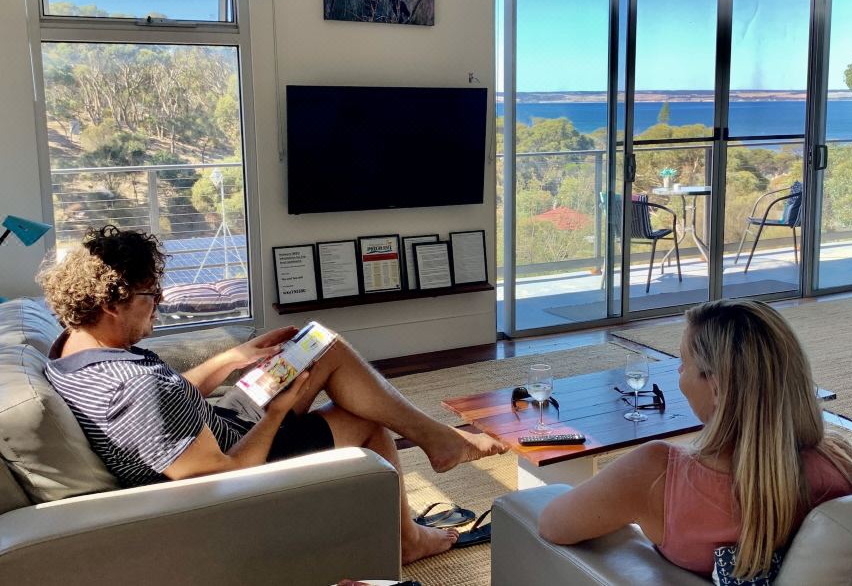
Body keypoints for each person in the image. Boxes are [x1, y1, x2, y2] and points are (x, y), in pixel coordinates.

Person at [38, 225, 507, 564]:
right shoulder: (130, 388)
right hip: (239, 451)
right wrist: (277, 412)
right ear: (110, 304)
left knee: (319, 346)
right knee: (364, 421)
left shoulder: (74, 350)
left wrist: (231, 359)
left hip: (217, 422)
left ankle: (439, 441)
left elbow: (171, 401)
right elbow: (222, 481)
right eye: (151, 296)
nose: (159, 305)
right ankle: (408, 536)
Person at [538, 299, 852, 581]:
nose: (678, 372)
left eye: (684, 364)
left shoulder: (656, 473)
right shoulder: (841, 465)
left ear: (717, 388)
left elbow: (552, 524)